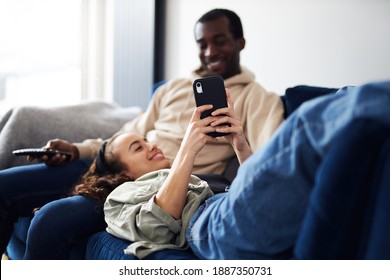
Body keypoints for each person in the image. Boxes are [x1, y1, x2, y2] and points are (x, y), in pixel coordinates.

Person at [0, 8, 284, 259]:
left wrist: (237, 141)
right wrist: (77, 150)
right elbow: (128, 134)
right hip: (120, 162)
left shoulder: (257, 99)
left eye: (219, 41)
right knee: (4, 186)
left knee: (52, 220)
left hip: (156, 181)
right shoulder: (173, 88)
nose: (209, 51)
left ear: (240, 43)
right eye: (202, 44)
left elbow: (268, 163)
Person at [104, 81, 390, 260]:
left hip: (233, 205)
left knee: (372, 147)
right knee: (309, 122)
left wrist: (239, 143)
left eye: (144, 140)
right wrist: (187, 149)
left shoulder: (191, 177)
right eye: (137, 148)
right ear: (122, 174)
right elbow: (154, 230)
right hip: (209, 226)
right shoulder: (120, 197)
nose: (150, 145)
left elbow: (253, 190)